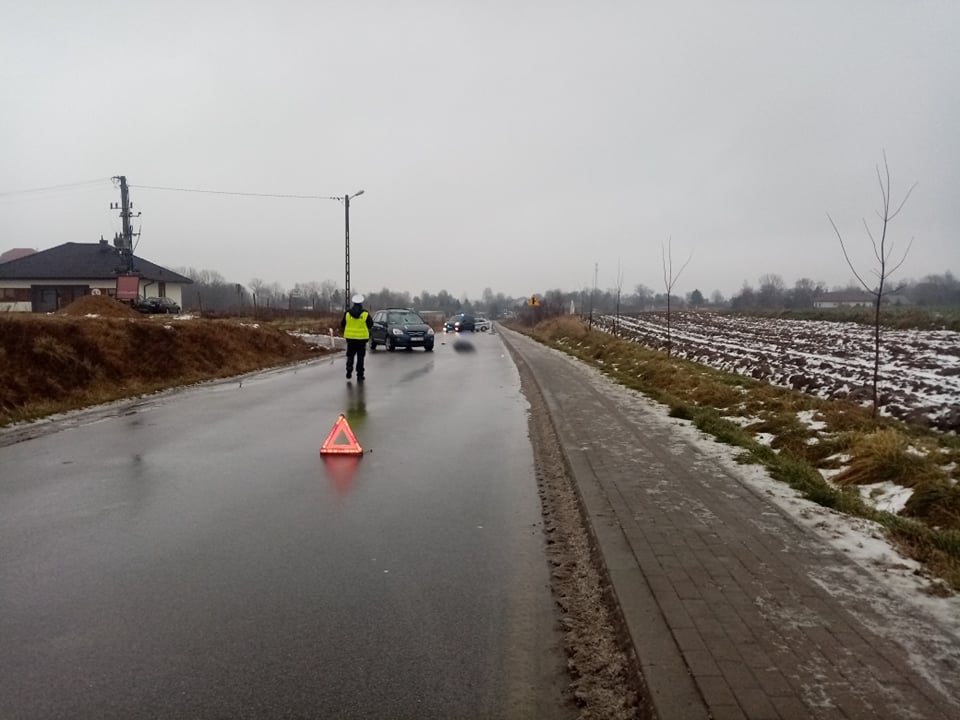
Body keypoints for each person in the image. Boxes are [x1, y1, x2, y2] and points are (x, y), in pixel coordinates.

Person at [340, 294, 373, 382]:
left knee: (350, 355)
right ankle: (360, 375)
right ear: (361, 303)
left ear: (353, 303)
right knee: (360, 358)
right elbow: (371, 324)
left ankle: (349, 370)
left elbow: (342, 324)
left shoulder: (347, 313)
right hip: (362, 340)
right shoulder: (365, 314)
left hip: (350, 340)